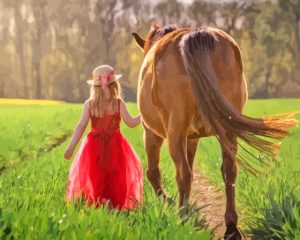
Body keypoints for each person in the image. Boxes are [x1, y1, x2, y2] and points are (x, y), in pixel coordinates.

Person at [64, 64, 143, 210]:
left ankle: (102, 201)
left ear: (94, 87)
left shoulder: (89, 104)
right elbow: (131, 123)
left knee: (96, 176)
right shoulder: (118, 103)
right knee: (116, 176)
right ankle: (113, 204)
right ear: (115, 85)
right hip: (116, 145)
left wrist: (71, 147)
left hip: (93, 146)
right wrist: (144, 113)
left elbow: (81, 126)